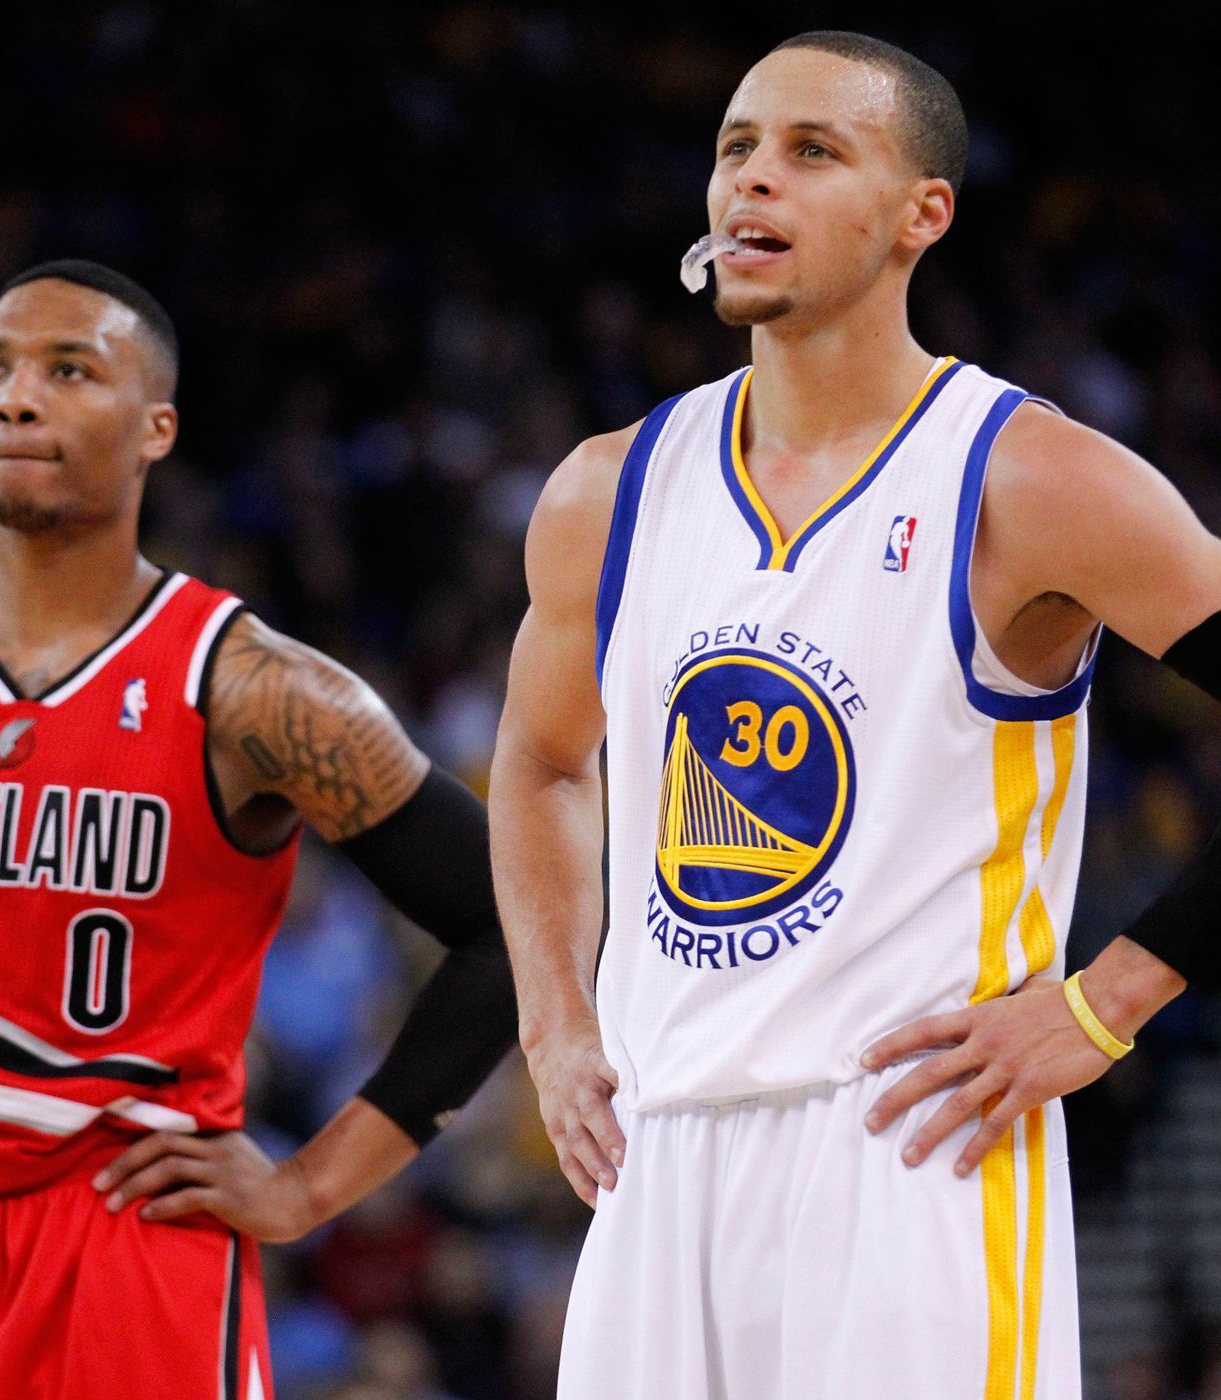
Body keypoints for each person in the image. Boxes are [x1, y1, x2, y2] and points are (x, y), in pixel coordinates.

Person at [489, 31, 1219, 1400]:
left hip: (910, 1149)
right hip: (659, 1153)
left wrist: (1108, 1002)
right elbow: (538, 763)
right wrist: (553, 1023)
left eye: (811, 151)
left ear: (918, 214)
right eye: (735, 149)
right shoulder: (606, 492)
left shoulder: (1029, 479)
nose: (751, 181)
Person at [0, 259, 517, 1399]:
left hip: (124, 1237)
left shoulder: (256, 691)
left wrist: (308, 1186)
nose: (16, 398)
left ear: (157, 428)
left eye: (68, 370)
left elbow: (510, 925)